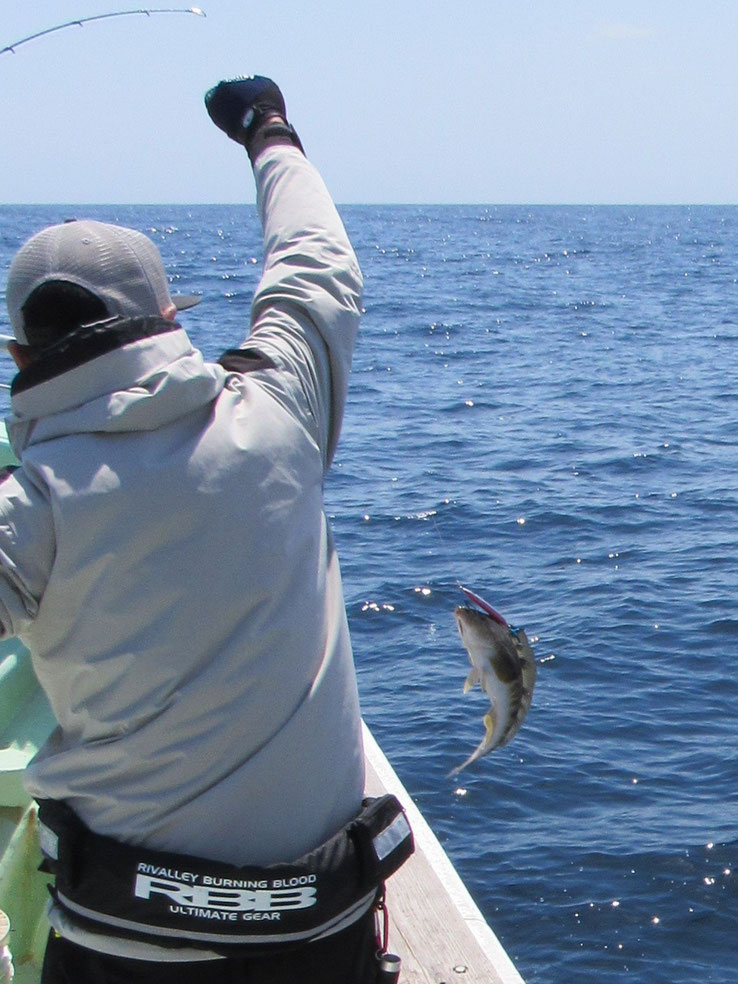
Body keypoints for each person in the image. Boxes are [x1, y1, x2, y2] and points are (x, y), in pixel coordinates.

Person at [0, 76, 411, 984]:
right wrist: (270, 132)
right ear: (171, 320)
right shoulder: (278, 410)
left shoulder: (27, 509)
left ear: (21, 356)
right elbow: (317, 261)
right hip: (315, 939)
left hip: (119, 946)